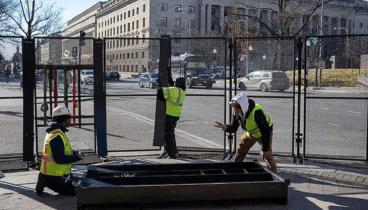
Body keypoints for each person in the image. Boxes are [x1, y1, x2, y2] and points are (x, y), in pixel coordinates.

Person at [213, 92, 277, 173]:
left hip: (263, 134)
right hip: (250, 133)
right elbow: (234, 127)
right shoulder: (237, 113)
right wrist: (225, 127)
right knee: (241, 150)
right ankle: (235, 169)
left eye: (236, 107)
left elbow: (265, 131)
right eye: (233, 107)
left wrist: (265, 148)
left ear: (243, 106)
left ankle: (274, 172)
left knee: (266, 154)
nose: (234, 109)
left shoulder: (257, 112)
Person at [35, 105, 83, 196]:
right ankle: (46, 181)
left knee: (78, 182)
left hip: (51, 172)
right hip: (56, 176)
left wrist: (74, 153)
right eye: (68, 118)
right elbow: (60, 159)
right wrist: (77, 157)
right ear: (63, 119)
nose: (70, 120)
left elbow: (62, 150)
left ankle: (43, 178)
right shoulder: (57, 136)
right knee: (78, 192)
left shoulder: (54, 132)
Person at [157, 77, 186, 159]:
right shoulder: (182, 91)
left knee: (167, 136)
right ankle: (174, 152)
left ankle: (172, 155)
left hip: (169, 114)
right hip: (176, 115)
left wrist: (160, 84)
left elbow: (160, 92)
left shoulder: (173, 90)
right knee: (171, 134)